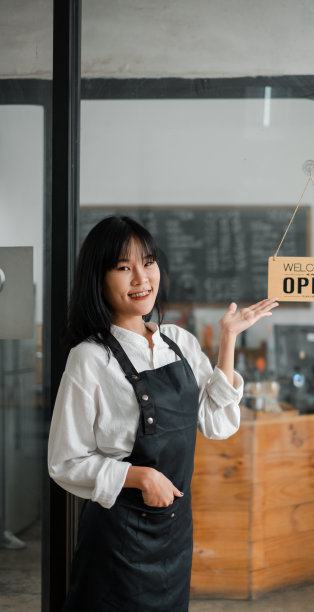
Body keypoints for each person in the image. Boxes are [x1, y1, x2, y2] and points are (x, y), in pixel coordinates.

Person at [48, 216, 279, 611]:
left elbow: (216, 422)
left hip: (174, 532)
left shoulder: (178, 342)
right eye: (124, 267)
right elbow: (65, 461)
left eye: (148, 262)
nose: (141, 278)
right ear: (99, 279)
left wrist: (228, 340)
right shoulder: (89, 358)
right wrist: (140, 476)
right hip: (117, 536)